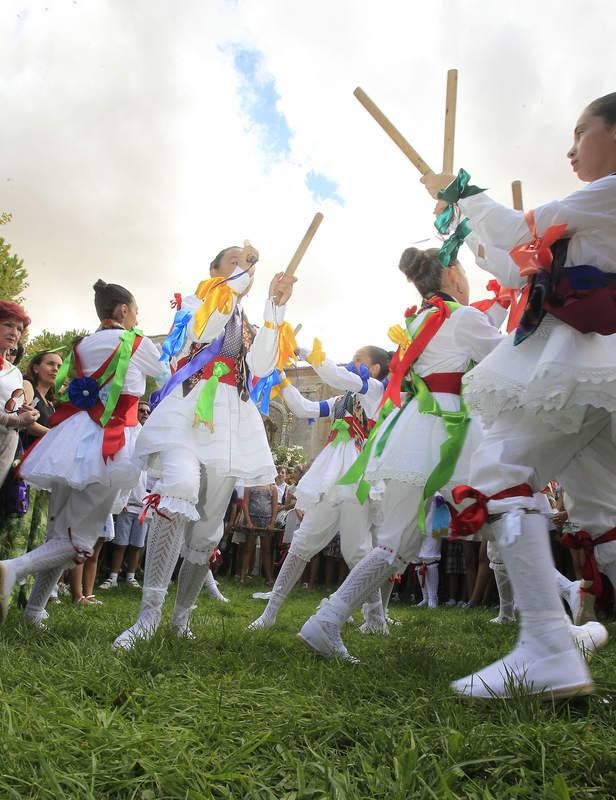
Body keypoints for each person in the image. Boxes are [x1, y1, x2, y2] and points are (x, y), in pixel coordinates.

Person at [412, 91, 616, 699]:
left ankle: (548, 649)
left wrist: (462, 192)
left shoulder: (606, 195)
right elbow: (516, 263)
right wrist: (464, 223)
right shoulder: (594, 213)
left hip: (576, 363)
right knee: (602, 512)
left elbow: (520, 229)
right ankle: (551, 643)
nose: (571, 149)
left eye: (581, 132)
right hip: (592, 377)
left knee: (499, 469)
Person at [297, 247, 508, 662]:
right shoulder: (459, 316)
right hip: (448, 429)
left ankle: (328, 619)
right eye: (465, 272)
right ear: (453, 275)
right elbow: (506, 355)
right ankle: (555, 611)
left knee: (394, 541)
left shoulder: (417, 320)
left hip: (410, 432)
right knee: (507, 509)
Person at [113, 243, 296, 648]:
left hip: (231, 423)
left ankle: (181, 618)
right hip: (188, 411)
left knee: (209, 531)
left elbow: (262, 365)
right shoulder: (195, 303)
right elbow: (205, 330)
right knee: (178, 487)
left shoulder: (245, 323)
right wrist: (238, 283)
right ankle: (147, 618)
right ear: (215, 269)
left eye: (249, 263)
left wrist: (275, 307)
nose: (245, 267)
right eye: (235, 261)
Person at [0, 280, 162, 626]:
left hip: (71, 440)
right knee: (80, 542)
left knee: (59, 534)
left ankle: (34, 611)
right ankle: (11, 569)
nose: (137, 318)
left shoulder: (83, 344)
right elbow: (164, 375)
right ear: (123, 310)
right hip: (110, 443)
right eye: (135, 312)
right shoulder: (136, 343)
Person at [248, 344, 391, 633]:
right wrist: (283, 380)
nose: (352, 362)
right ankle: (269, 613)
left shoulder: (375, 391)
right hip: (330, 477)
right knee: (302, 542)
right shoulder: (342, 399)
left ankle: (376, 619)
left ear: (375, 368)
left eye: (358, 359)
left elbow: (337, 376)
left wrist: (304, 351)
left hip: (358, 477)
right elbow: (305, 408)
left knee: (357, 551)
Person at [240, 483, 278, 584]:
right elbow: (245, 503)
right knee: (248, 548)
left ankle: (269, 578)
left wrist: (272, 523)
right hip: (252, 519)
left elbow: (275, 506)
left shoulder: (272, 487)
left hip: (267, 521)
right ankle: (242, 577)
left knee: (266, 550)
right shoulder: (250, 485)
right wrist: (248, 521)